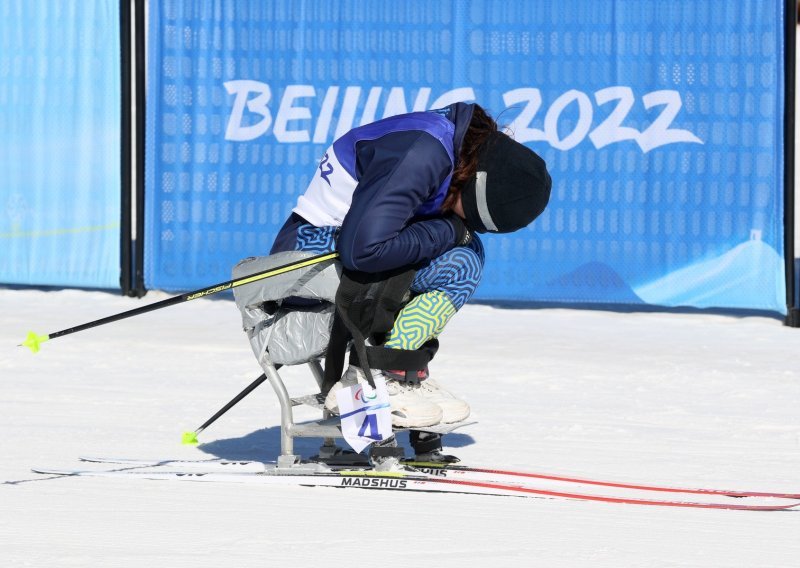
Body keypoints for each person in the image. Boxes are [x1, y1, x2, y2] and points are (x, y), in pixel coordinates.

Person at [269, 102, 551, 462]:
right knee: (461, 261)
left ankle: (400, 371)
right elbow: (362, 250)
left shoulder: (456, 148)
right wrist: (451, 229)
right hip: (305, 259)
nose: (467, 224)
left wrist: (454, 231)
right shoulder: (423, 153)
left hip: (340, 249)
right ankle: (376, 376)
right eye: (472, 218)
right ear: (473, 187)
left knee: (465, 253)